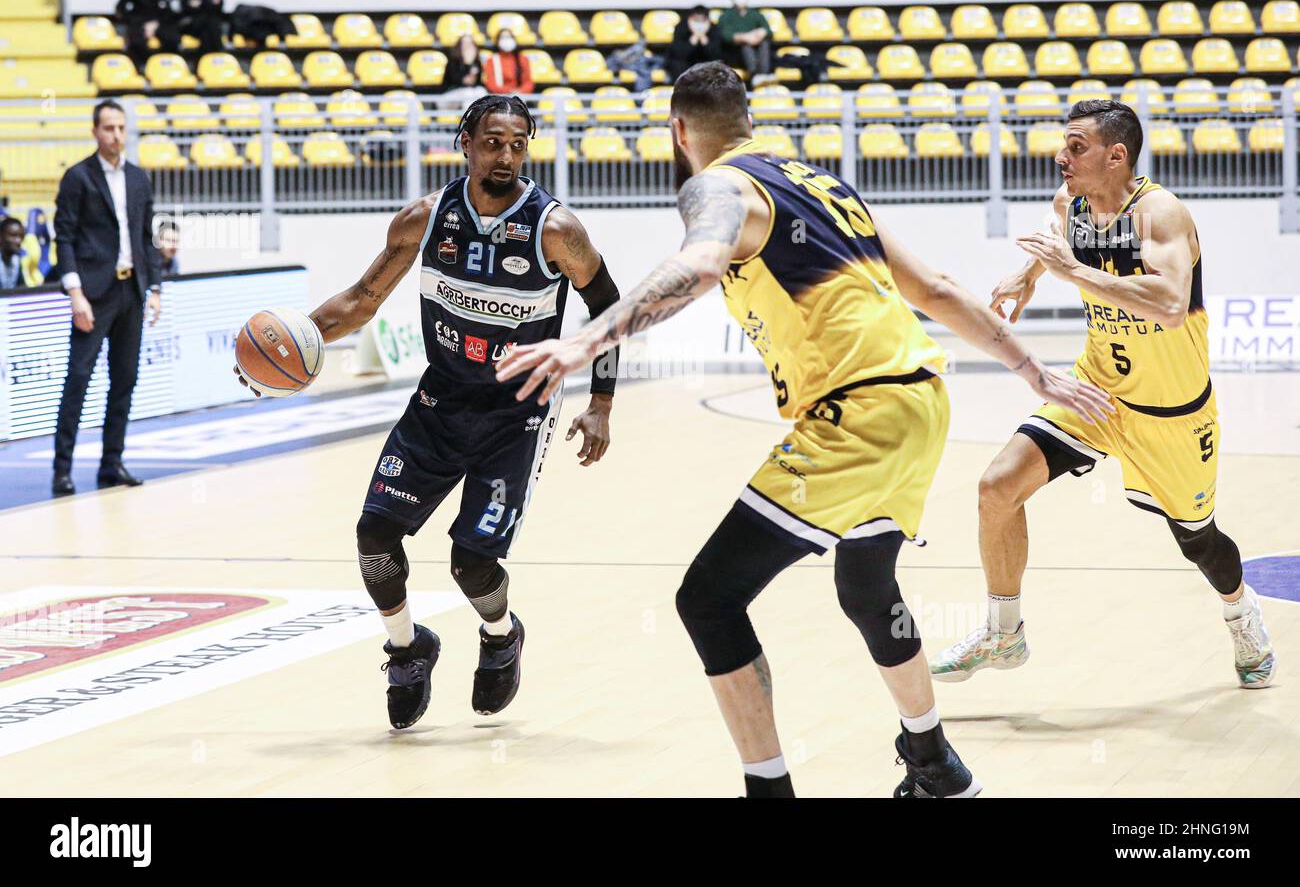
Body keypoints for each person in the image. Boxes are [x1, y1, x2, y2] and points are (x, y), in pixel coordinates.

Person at [496, 62, 1113, 797]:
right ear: (748, 120)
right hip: (922, 401)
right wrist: (1032, 372)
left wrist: (585, 340)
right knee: (865, 579)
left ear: (679, 131)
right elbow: (937, 289)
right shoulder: (828, 186)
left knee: (708, 599)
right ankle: (935, 764)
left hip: (858, 413)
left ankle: (770, 790)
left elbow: (697, 264)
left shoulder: (717, 185)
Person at [234, 95, 623, 729]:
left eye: (518, 144)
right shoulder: (425, 218)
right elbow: (362, 299)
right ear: (464, 142)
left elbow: (608, 306)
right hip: (439, 398)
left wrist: (601, 402)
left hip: (516, 410)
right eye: (493, 143)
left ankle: (501, 633)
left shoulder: (555, 229)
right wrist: (294, 340)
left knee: (471, 563)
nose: (506, 156)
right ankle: (407, 647)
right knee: (374, 536)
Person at [929, 99, 1276, 689]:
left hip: (1172, 410)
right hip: (1096, 388)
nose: (1061, 157)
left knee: (1199, 542)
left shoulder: (1161, 213)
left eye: (1076, 146)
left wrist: (1070, 274)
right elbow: (1056, 237)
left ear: (1117, 155)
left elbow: (1168, 304)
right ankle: (1003, 632)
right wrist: (1027, 275)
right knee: (996, 488)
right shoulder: (1074, 203)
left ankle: (1241, 611)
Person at [52, 100, 164, 497]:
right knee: (78, 379)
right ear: (95, 131)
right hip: (93, 294)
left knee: (125, 381)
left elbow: (146, 236)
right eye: (108, 128)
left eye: (121, 127)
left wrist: (155, 288)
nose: (116, 135)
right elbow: (63, 236)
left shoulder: (138, 177)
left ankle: (111, 464)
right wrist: (75, 293)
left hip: (130, 290)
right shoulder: (78, 177)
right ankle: (61, 470)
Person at [717, 0, 773, 85]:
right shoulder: (726, 16)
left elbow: (768, 30)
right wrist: (745, 37)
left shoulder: (755, 14)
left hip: (757, 50)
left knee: (764, 43)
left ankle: (763, 74)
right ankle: (754, 74)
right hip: (735, 54)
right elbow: (725, 35)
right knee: (746, 46)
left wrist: (761, 33)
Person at [666, 5, 722, 81]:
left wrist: (703, 38)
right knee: (677, 64)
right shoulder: (681, 28)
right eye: (696, 20)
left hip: (705, 63)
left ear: (708, 21)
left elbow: (715, 54)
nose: (699, 24)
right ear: (689, 19)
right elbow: (679, 54)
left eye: (702, 20)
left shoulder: (714, 29)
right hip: (686, 64)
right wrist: (693, 38)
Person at [440, 34, 487, 111]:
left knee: (481, 90)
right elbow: (461, 81)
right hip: (448, 97)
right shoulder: (453, 61)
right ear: (459, 47)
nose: (468, 47)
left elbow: (477, 83)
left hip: (468, 95)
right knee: (468, 93)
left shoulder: (477, 62)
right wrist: (467, 64)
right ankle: (469, 121)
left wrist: (471, 64)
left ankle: (480, 119)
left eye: (470, 43)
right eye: (464, 44)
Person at [483, 28, 533, 96]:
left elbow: (528, 83)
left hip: (519, 97)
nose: (506, 40)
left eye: (509, 37)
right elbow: (491, 84)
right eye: (503, 37)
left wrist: (520, 91)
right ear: (498, 41)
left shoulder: (522, 59)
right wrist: (509, 91)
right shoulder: (492, 60)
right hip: (500, 97)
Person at [1, 216, 27, 290]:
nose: (18, 241)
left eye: (21, 236)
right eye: (13, 235)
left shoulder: (16, 260)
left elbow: (23, 290)